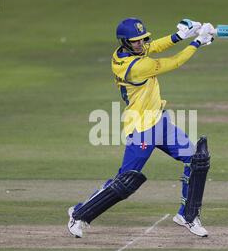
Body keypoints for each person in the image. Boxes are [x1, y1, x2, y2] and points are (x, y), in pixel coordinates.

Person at [68, 18, 214, 238]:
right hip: (142, 128)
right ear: (125, 42)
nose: (141, 44)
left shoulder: (125, 52)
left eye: (142, 39)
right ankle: (79, 214)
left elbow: (153, 47)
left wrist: (181, 35)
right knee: (125, 181)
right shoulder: (136, 67)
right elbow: (174, 63)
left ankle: (188, 215)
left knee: (196, 160)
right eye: (136, 41)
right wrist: (198, 43)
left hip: (160, 122)